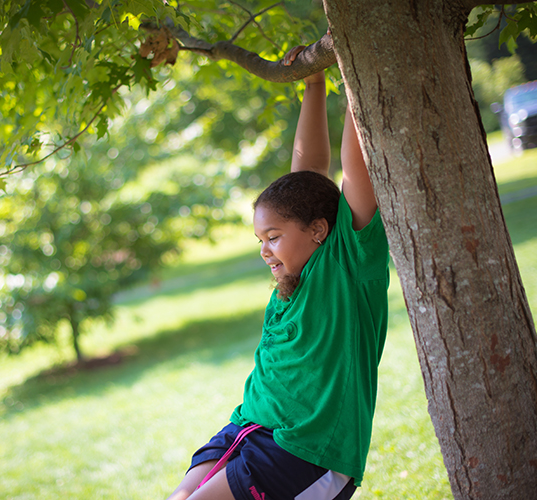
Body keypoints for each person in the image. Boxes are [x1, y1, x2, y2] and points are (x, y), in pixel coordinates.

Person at [166, 33, 390, 500]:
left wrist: (354, 79)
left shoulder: (348, 265)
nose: (265, 250)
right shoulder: (291, 282)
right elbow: (306, 171)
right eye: (260, 240)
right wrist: (313, 86)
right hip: (249, 427)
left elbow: (355, 169)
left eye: (273, 237)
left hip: (306, 451)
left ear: (319, 230)